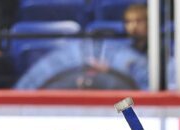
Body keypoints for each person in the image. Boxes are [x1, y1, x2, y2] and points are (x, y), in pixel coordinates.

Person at [15, 4, 149, 89]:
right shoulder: (124, 48)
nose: (133, 26)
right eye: (129, 22)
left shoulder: (157, 53)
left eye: (139, 21)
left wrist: (112, 71)